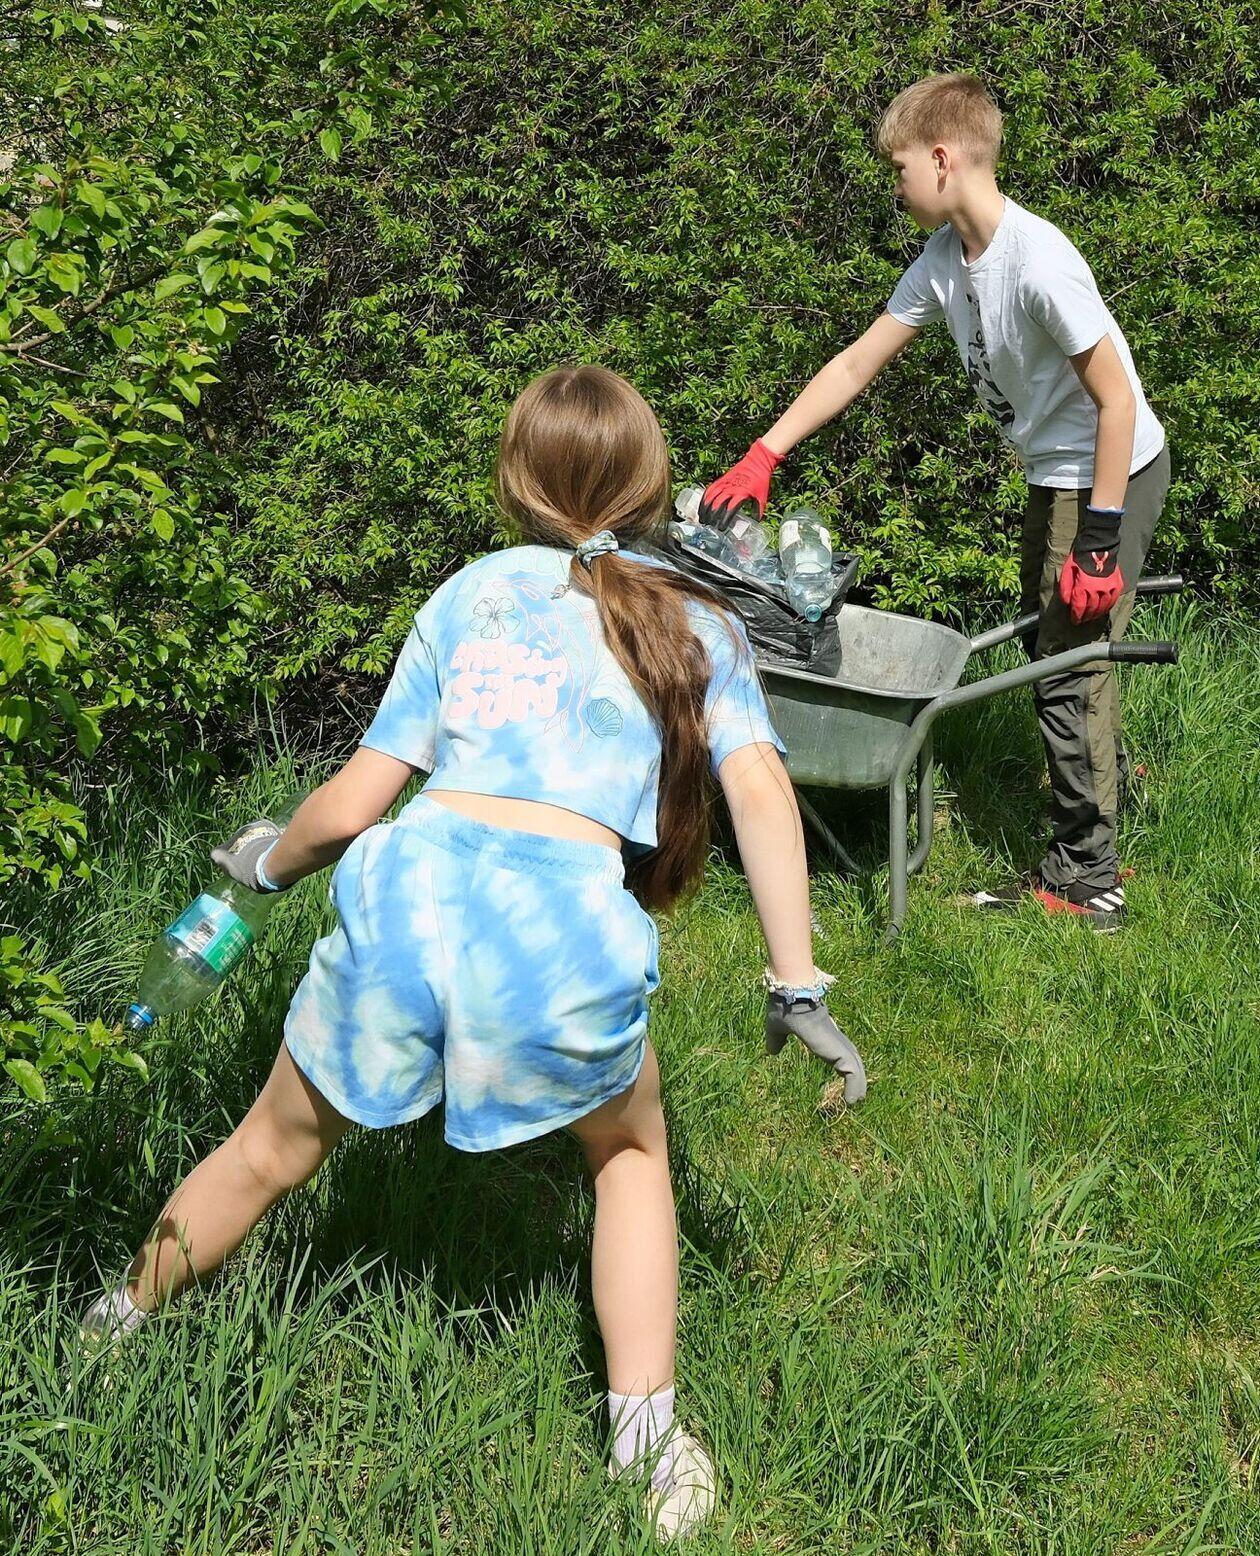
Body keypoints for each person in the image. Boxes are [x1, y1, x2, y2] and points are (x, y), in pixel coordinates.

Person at [81, 365, 866, 1542]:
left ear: (515, 481)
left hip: (412, 895)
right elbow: (758, 786)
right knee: (626, 1154)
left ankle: (115, 1320)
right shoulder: (698, 621)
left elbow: (354, 804)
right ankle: (649, 1443)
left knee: (267, 1147)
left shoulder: (469, 594)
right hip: (562, 930)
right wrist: (795, 980)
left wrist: (266, 865)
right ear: (653, 483)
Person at [701, 73, 1170, 932]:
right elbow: (857, 362)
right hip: (1057, 471)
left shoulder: (1039, 263)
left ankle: (1088, 879)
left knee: (1064, 665)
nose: (897, 185)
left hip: (1111, 470)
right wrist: (766, 452)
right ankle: (1107, 802)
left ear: (944, 160)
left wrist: (1101, 538)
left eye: (902, 167)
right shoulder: (945, 262)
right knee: (1058, 644)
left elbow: (1118, 401)